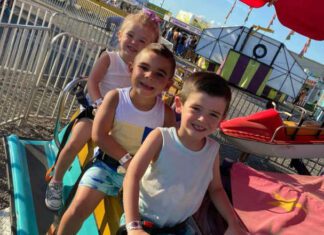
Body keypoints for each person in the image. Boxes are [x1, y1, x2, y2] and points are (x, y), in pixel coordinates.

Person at [45, 10, 161, 211]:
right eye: (130, 36)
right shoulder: (110, 58)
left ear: (149, 47)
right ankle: (56, 181)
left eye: (142, 41)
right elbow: (93, 81)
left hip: (121, 120)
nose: (133, 42)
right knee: (75, 142)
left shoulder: (142, 70)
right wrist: (99, 104)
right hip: (96, 112)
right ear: (120, 35)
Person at [56, 43, 177, 235]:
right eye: (143, 67)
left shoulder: (166, 115)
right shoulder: (115, 98)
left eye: (159, 74)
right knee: (78, 209)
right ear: (131, 68)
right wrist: (128, 161)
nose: (149, 76)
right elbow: (99, 135)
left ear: (168, 84)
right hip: (107, 166)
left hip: (139, 179)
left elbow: (167, 150)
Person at [122, 72, 247, 235]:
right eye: (196, 109)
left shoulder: (212, 150)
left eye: (213, 114)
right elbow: (132, 175)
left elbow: (216, 189)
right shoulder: (161, 138)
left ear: (221, 119)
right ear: (180, 104)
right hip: (142, 220)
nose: (202, 119)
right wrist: (133, 227)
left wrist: (233, 223)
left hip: (178, 227)